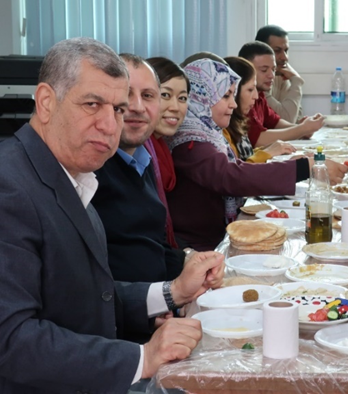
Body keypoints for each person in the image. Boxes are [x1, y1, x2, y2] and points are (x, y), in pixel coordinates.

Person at [0, 37, 225, 394]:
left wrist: (172, 292)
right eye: (93, 104)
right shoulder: (9, 185)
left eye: (117, 110)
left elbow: (87, 297)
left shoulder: (71, 175)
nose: (110, 125)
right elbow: (10, 344)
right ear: (46, 102)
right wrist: (142, 357)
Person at [165, 59, 347, 251]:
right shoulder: (190, 142)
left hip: (214, 237)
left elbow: (240, 167)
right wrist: (304, 167)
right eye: (225, 96)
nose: (233, 104)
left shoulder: (208, 133)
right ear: (202, 98)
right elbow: (231, 176)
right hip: (199, 247)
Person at [92, 54, 185, 286]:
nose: (137, 107)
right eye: (125, 95)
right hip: (128, 315)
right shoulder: (89, 170)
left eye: (147, 96)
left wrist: (190, 262)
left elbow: (154, 243)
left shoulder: (143, 159)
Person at [238, 41, 323, 147]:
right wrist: (301, 129)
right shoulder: (242, 98)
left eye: (273, 70)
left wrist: (304, 128)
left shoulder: (260, 95)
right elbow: (258, 139)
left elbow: (276, 123)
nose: (271, 75)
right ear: (247, 69)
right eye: (264, 70)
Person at [144, 56, 190, 248]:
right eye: (165, 95)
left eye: (182, 98)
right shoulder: (137, 150)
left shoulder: (161, 145)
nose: (175, 107)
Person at [223, 56, 296, 162]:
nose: (256, 96)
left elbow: (245, 155)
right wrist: (268, 152)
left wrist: (272, 148)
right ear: (234, 92)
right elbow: (237, 173)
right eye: (250, 89)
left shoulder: (237, 122)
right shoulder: (222, 132)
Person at [255, 25, 303, 123]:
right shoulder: (255, 80)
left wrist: (302, 125)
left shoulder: (280, 74)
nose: (285, 58)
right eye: (277, 51)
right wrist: (296, 80)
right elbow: (288, 119)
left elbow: (295, 115)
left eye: (286, 51)